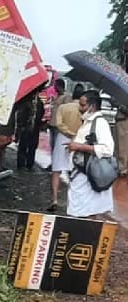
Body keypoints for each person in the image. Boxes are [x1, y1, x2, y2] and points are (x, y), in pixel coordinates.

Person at [67, 90, 115, 219]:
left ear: (92, 106)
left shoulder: (100, 123)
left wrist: (79, 146)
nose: (80, 108)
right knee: (84, 211)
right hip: (82, 174)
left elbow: (107, 149)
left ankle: (86, 237)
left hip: (88, 175)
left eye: (83, 105)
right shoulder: (88, 122)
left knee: (86, 212)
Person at [49, 83, 84, 211]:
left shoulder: (63, 107)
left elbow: (58, 124)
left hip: (62, 138)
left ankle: (54, 199)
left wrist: (68, 132)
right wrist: (75, 134)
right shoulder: (83, 110)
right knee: (74, 170)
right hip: (78, 140)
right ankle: (73, 200)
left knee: (56, 170)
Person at [15, 90, 44, 170]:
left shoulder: (31, 102)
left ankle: (26, 164)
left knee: (28, 146)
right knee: (27, 146)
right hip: (29, 127)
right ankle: (25, 164)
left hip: (31, 127)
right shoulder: (31, 102)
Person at [47, 78, 69, 159]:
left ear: (60, 86)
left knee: (57, 146)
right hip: (52, 125)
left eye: (55, 86)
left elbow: (66, 112)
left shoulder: (66, 97)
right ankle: (53, 164)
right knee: (52, 145)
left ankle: (56, 165)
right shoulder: (57, 97)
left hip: (58, 127)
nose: (54, 87)